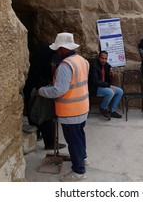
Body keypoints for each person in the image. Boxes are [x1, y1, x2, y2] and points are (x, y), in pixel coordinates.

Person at [38, 32, 89, 181]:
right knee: (80, 136)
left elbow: (58, 90)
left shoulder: (65, 66)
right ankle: (83, 158)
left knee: (73, 141)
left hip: (70, 110)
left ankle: (79, 170)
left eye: (58, 49)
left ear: (62, 48)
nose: (56, 52)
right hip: (82, 107)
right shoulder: (82, 60)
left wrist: (41, 91)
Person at [22, 45, 66, 151]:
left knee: (33, 111)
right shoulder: (54, 54)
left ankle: (36, 135)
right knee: (46, 115)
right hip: (39, 86)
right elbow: (52, 65)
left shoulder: (43, 49)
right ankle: (50, 143)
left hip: (30, 85)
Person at [88, 51, 123, 119]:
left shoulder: (105, 64)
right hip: (95, 88)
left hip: (104, 86)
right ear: (98, 58)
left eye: (105, 58)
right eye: (102, 58)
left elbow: (109, 66)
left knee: (120, 91)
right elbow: (95, 82)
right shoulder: (94, 66)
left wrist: (111, 69)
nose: (104, 60)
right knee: (110, 92)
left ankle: (112, 111)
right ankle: (103, 108)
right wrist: (109, 85)